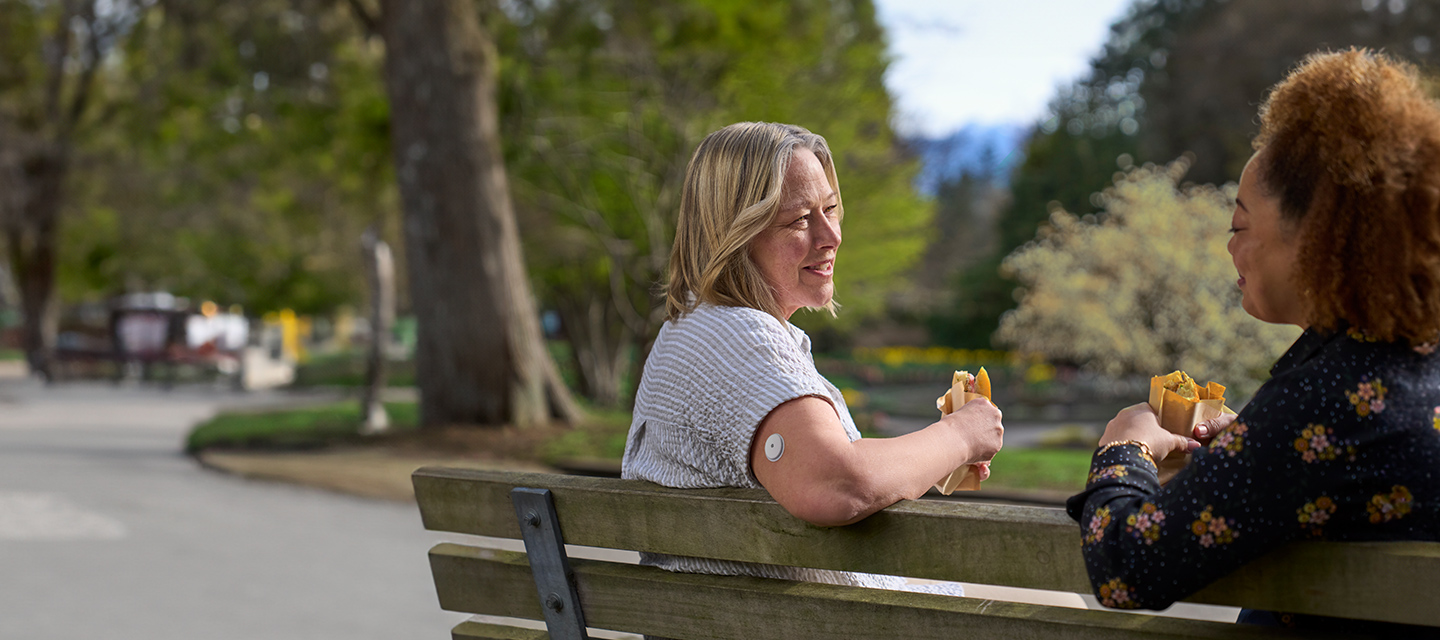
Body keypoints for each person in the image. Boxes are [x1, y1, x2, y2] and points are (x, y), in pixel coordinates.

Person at [1067, 49, 1440, 633]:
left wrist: (1125, 448)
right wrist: (1245, 449)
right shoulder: (1414, 366)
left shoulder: (1325, 398)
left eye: (1240, 226)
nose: (1228, 247)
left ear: (1316, 237)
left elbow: (1126, 567)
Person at [622, 121, 1004, 590]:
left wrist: (932, 457)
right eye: (801, 219)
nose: (831, 236)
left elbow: (827, 474)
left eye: (831, 210)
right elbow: (837, 486)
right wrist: (959, 436)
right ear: (734, 233)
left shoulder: (696, 330)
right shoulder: (737, 339)